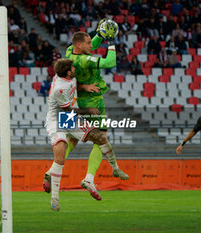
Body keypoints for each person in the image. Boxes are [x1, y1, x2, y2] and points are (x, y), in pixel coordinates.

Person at [44, 24, 129, 200]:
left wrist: (100, 34)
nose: (92, 45)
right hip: (90, 101)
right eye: (89, 42)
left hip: (72, 99)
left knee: (70, 140)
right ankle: (89, 178)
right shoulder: (84, 60)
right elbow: (110, 62)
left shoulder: (70, 51)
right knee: (100, 138)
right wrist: (111, 41)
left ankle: (52, 171)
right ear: (80, 45)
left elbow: (91, 45)